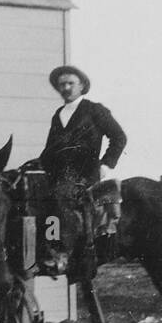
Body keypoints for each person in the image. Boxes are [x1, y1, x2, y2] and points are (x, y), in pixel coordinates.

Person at [38, 65, 127, 283]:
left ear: (81, 86)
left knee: (58, 197)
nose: (66, 88)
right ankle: (45, 246)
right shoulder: (58, 115)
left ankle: (59, 251)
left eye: (71, 83)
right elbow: (50, 149)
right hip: (59, 173)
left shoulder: (94, 110)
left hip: (84, 174)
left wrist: (106, 164)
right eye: (62, 84)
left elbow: (119, 137)